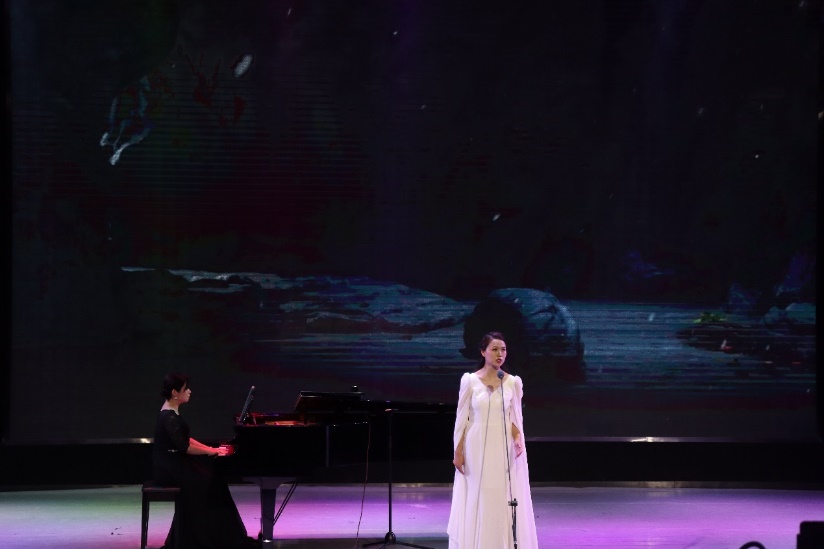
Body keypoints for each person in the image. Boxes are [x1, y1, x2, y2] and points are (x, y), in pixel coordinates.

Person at [447, 332, 539, 548]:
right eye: (495, 349)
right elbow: (462, 419)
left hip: (502, 446)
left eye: (503, 350)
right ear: (483, 352)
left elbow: (514, 418)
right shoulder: (470, 380)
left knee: (500, 494)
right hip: (475, 446)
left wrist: (518, 437)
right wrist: (458, 451)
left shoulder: (512, 382)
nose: (500, 354)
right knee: (478, 494)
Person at [153, 373, 256, 549]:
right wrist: (212, 451)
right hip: (169, 468)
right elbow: (185, 447)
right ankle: (211, 537)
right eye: (186, 388)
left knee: (212, 477)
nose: (189, 391)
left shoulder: (171, 412)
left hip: (173, 463)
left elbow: (186, 439)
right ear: (175, 393)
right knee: (210, 481)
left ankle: (216, 534)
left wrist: (210, 449)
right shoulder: (169, 416)